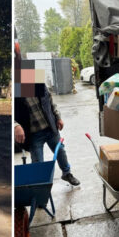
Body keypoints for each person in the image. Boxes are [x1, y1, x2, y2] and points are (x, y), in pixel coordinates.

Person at [13, 53, 80, 186]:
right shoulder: (16, 91)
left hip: (50, 127)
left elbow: (49, 101)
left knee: (60, 151)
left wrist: (58, 117)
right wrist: (15, 125)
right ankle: (40, 188)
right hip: (33, 134)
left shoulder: (38, 83)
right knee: (38, 165)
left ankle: (67, 173)